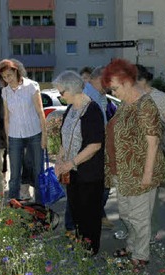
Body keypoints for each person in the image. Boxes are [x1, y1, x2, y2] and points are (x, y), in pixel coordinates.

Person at [102, 58, 165, 270]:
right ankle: (131, 246)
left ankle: (141, 255)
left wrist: (147, 175)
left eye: (115, 87)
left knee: (139, 217)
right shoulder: (124, 104)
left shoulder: (145, 105)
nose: (113, 92)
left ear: (127, 82)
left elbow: (153, 141)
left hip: (140, 171)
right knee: (126, 214)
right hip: (124, 170)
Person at [53, 71, 105, 254]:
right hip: (72, 172)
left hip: (89, 173)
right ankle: (81, 243)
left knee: (89, 214)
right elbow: (65, 138)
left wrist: (71, 162)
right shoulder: (70, 108)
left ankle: (90, 250)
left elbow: (95, 145)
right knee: (76, 211)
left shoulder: (92, 110)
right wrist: (60, 160)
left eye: (61, 92)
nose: (60, 96)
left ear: (72, 89)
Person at [136, 64, 165, 245]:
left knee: (152, 197)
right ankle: (135, 232)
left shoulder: (158, 97)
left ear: (140, 80)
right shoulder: (130, 97)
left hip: (154, 154)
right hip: (135, 155)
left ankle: (151, 233)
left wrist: (157, 137)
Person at [0, 59, 47, 203]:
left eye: (9, 75)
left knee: (38, 172)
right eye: (4, 77)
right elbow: (7, 117)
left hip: (35, 134)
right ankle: (13, 209)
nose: (7, 79)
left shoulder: (31, 86)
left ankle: (40, 207)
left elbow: (40, 111)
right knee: (15, 175)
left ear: (16, 71)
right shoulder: (5, 92)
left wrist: (44, 136)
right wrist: (7, 140)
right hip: (14, 136)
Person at [82, 66, 115, 231]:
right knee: (91, 187)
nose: (110, 85)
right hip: (90, 149)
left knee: (104, 185)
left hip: (101, 147)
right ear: (98, 79)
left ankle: (96, 215)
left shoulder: (101, 96)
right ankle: (82, 221)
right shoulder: (86, 95)